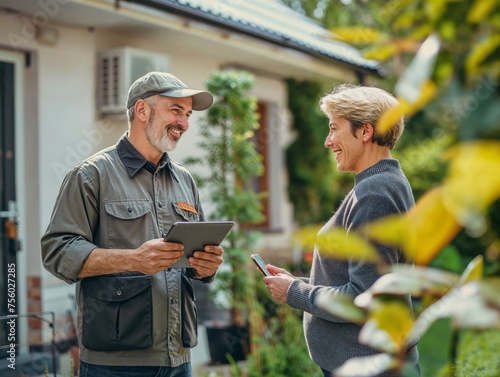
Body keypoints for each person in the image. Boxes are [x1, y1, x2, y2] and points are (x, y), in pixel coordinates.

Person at [41, 71, 224, 377]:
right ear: (142, 110)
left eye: (188, 115)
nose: (184, 123)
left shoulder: (184, 180)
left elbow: (194, 261)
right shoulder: (91, 175)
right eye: (176, 111)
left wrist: (206, 266)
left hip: (179, 358)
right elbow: (58, 252)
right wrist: (134, 260)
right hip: (116, 363)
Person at [263, 84, 419, 377]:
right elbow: (364, 278)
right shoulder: (385, 182)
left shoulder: (375, 194)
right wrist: (299, 282)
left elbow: (363, 300)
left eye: (334, 129)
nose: (328, 141)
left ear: (365, 132)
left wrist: (295, 291)